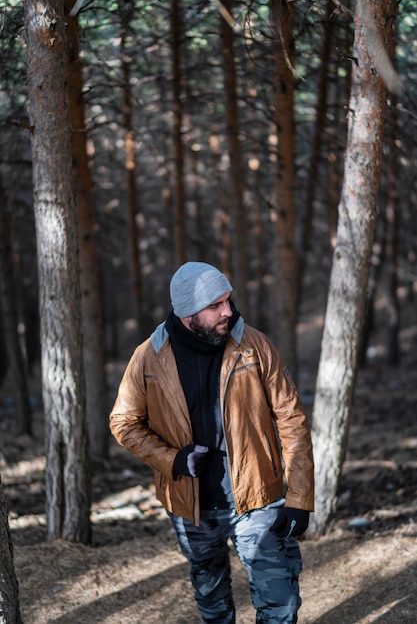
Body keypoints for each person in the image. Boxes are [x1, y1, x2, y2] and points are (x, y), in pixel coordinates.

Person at [110, 261, 314, 624]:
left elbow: (292, 420)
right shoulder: (148, 357)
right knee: (212, 601)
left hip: (256, 496)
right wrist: (172, 459)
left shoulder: (254, 345)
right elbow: (124, 422)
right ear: (189, 313)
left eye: (228, 300)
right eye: (216, 305)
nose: (229, 311)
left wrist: (299, 498)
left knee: (279, 599)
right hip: (191, 505)